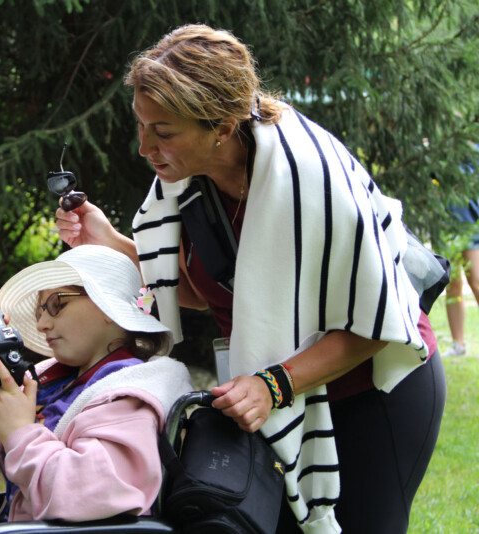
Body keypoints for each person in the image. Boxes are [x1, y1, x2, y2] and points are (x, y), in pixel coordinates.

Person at [55, 24, 446, 534]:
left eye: (163, 131)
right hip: (268, 392)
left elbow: (378, 323)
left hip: (369, 391)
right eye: (141, 124)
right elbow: (195, 293)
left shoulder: (314, 181)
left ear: (220, 125)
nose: (144, 146)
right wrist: (111, 242)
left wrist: (273, 385)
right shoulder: (188, 178)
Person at [0, 244, 193, 534]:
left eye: (56, 304)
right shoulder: (55, 379)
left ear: (109, 307)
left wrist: (21, 433)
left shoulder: (126, 395)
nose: (41, 324)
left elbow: (96, 497)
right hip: (11, 525)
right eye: (41, 309)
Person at [443, 199, 479, 357]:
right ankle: (458, 344)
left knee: (476, 281)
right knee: (452, 286)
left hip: (471, 224)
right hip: (445, 226)